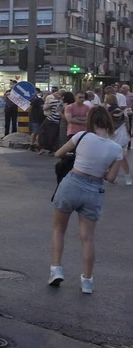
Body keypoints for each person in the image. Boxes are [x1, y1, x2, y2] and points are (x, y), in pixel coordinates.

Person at [50, 106, 122, 294]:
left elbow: (58, 154)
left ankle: (56, 269)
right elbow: (111, 178)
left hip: (72, 183)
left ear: (90, 120)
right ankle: (87, 281)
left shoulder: (81, 136)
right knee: (88, 238)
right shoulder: (116, 149)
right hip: (94, 189)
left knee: (59, 229)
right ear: (108, 122)